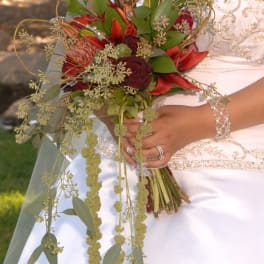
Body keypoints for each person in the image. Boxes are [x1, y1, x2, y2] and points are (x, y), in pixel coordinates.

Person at [4, 0, 264, 263]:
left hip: (239, 164)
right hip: (123, 155)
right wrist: (114, 116)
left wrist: (199, 122)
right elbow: (87, 39)